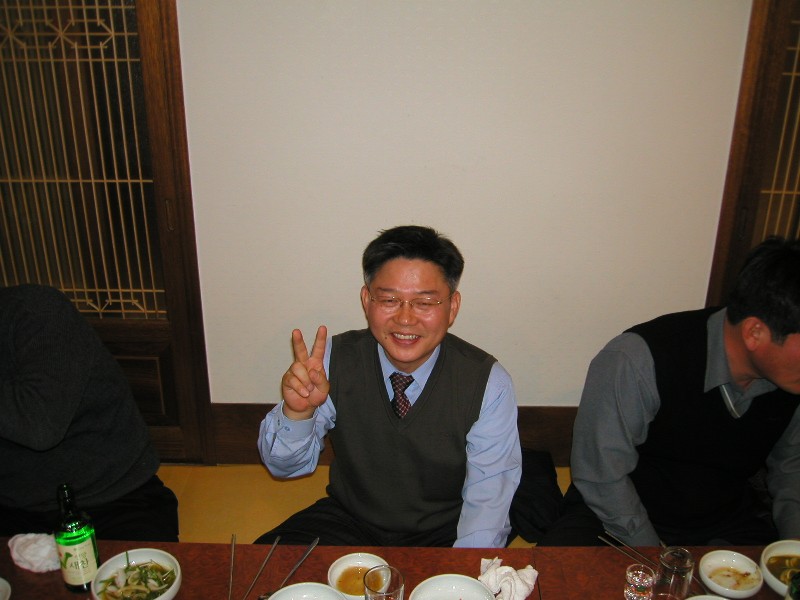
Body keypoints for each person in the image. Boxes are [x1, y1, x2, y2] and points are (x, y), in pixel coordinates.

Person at [256, 225, 521, 547]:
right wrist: (298, 413)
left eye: (425, 303)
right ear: (366, 300)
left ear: (452, 307)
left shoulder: (487, 382)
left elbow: (487, 503)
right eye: (389, 300)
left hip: (446, 528)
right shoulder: (331, 362)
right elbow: (285, 468)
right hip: (351, 518)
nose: (405, 319)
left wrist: (463, 567)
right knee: (267, 566)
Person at [541, 236, 800, 547]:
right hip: (615, 517)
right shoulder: (637, 358)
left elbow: (792, 470)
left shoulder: (789, 381)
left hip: (725, 521)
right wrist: (660, 559)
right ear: (754, 332)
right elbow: (602, 476)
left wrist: (793, 551)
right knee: (559, 570)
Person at [0, 284, 179, 541]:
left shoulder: (36, 310)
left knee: (144, 563)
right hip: (11, 504)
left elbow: (40, 427)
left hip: (109, 497)